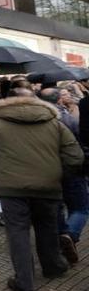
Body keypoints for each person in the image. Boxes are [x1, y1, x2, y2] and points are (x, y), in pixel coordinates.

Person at [0, 92, 84, 291]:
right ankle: (53, 266)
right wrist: (59, 174)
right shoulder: (53, 121)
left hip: (11, 188)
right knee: (47, 228)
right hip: (48, 185)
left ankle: (24, 283)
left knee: (18, 233)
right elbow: (75, 155)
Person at [39, 88, 88, 265]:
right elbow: (79, 140)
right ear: (59, 100)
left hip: (47, 169)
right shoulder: (66, 118)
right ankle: (70, 235)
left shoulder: (36, 117)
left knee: (58, 207)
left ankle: (61, 236)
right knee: (80, 208)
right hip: (70, 169)